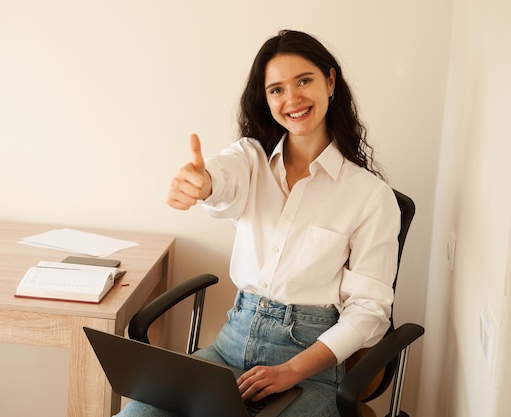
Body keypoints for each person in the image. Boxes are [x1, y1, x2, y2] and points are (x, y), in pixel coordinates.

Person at [118, 29, 400, 417]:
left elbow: (369, 311)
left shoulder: (371, 195)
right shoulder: (250, 158)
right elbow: (223, 178)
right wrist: (203, 185)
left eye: (304, 81)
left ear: (330, 81)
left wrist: (291, 370)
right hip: (229, 347)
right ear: (265, 99)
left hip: (309, 369)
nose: (292, 99)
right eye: (276, 90)